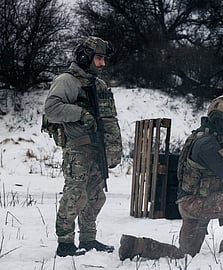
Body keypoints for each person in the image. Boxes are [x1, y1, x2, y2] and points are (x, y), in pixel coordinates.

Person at [118, 95, 223, 260]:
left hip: (194, 202)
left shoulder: (213, 137)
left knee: (185, 255)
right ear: (221, 122)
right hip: (196, 203)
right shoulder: (206, 143)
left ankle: (137, 246)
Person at [44, 36, 122, 257]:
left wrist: (114, 147)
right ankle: (65, 243)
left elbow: (109, 118)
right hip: (77, 149)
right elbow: (51, 109)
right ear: (84, 57)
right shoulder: (67, 81)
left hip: (98, 150)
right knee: (75, 195)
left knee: (96, 196)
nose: (102, 63)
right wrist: (80, 113)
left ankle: (88, 238)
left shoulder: (99, 85)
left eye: (104, 59)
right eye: (98, 58)